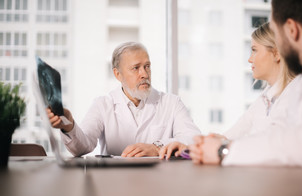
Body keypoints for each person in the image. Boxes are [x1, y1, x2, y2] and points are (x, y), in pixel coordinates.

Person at [190, 0, 302, 167]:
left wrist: (223, 151)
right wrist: (214, 145)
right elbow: (276, 133)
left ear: (292, 30)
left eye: (276, 33)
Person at [160, 22, 296, 160]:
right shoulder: (265, 99)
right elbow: (228, 138)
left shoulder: (294, 96)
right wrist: (190, 148)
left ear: (277, 53)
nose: (250, 59)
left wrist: (220, 147)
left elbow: (271, 148)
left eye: (254, 50)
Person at [47, 42, 200, 157]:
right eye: (136, 68)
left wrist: (156, 147)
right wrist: (68, 125)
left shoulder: (171, 103)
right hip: (115, 183)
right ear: (117, 74)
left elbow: (193, 139)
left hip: (160, 183)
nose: (144, 74)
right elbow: (83, 147)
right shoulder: (103, 104)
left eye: (147, 66)